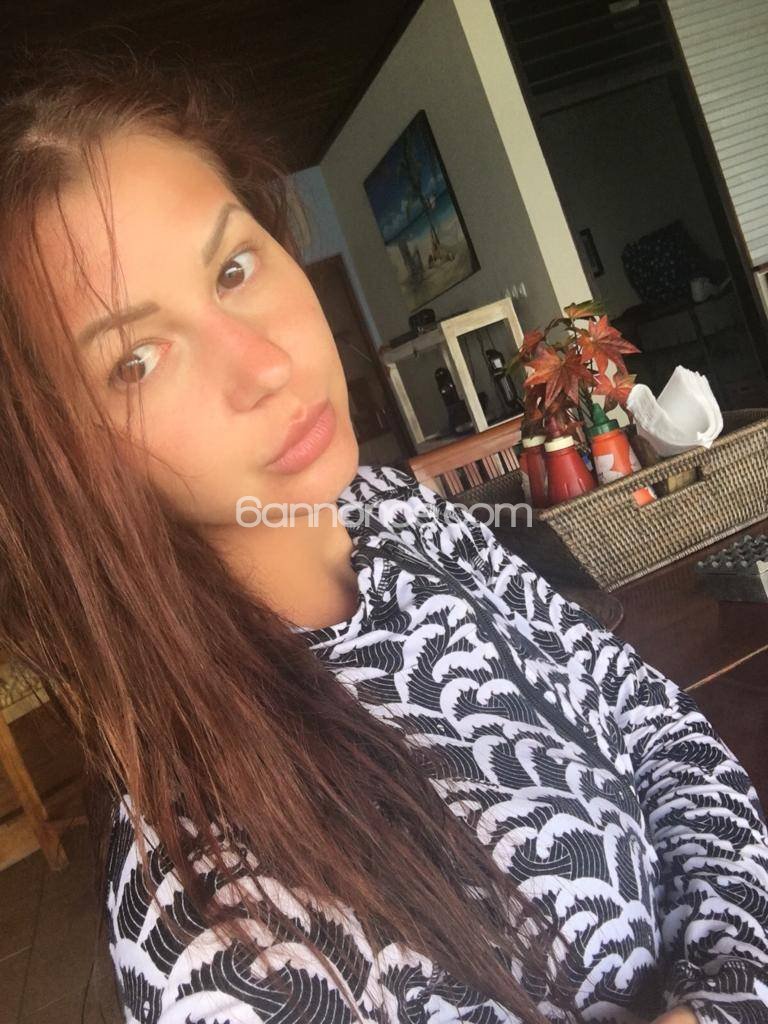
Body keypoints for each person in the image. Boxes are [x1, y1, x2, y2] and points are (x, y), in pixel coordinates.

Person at [0, 49, 765, 1024]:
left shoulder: (387, 506)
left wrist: (728, 987)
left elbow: (649, 716)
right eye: (137, 361)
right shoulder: (209, 920)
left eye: (233, 268)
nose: (265, 365)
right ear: (57, 462)